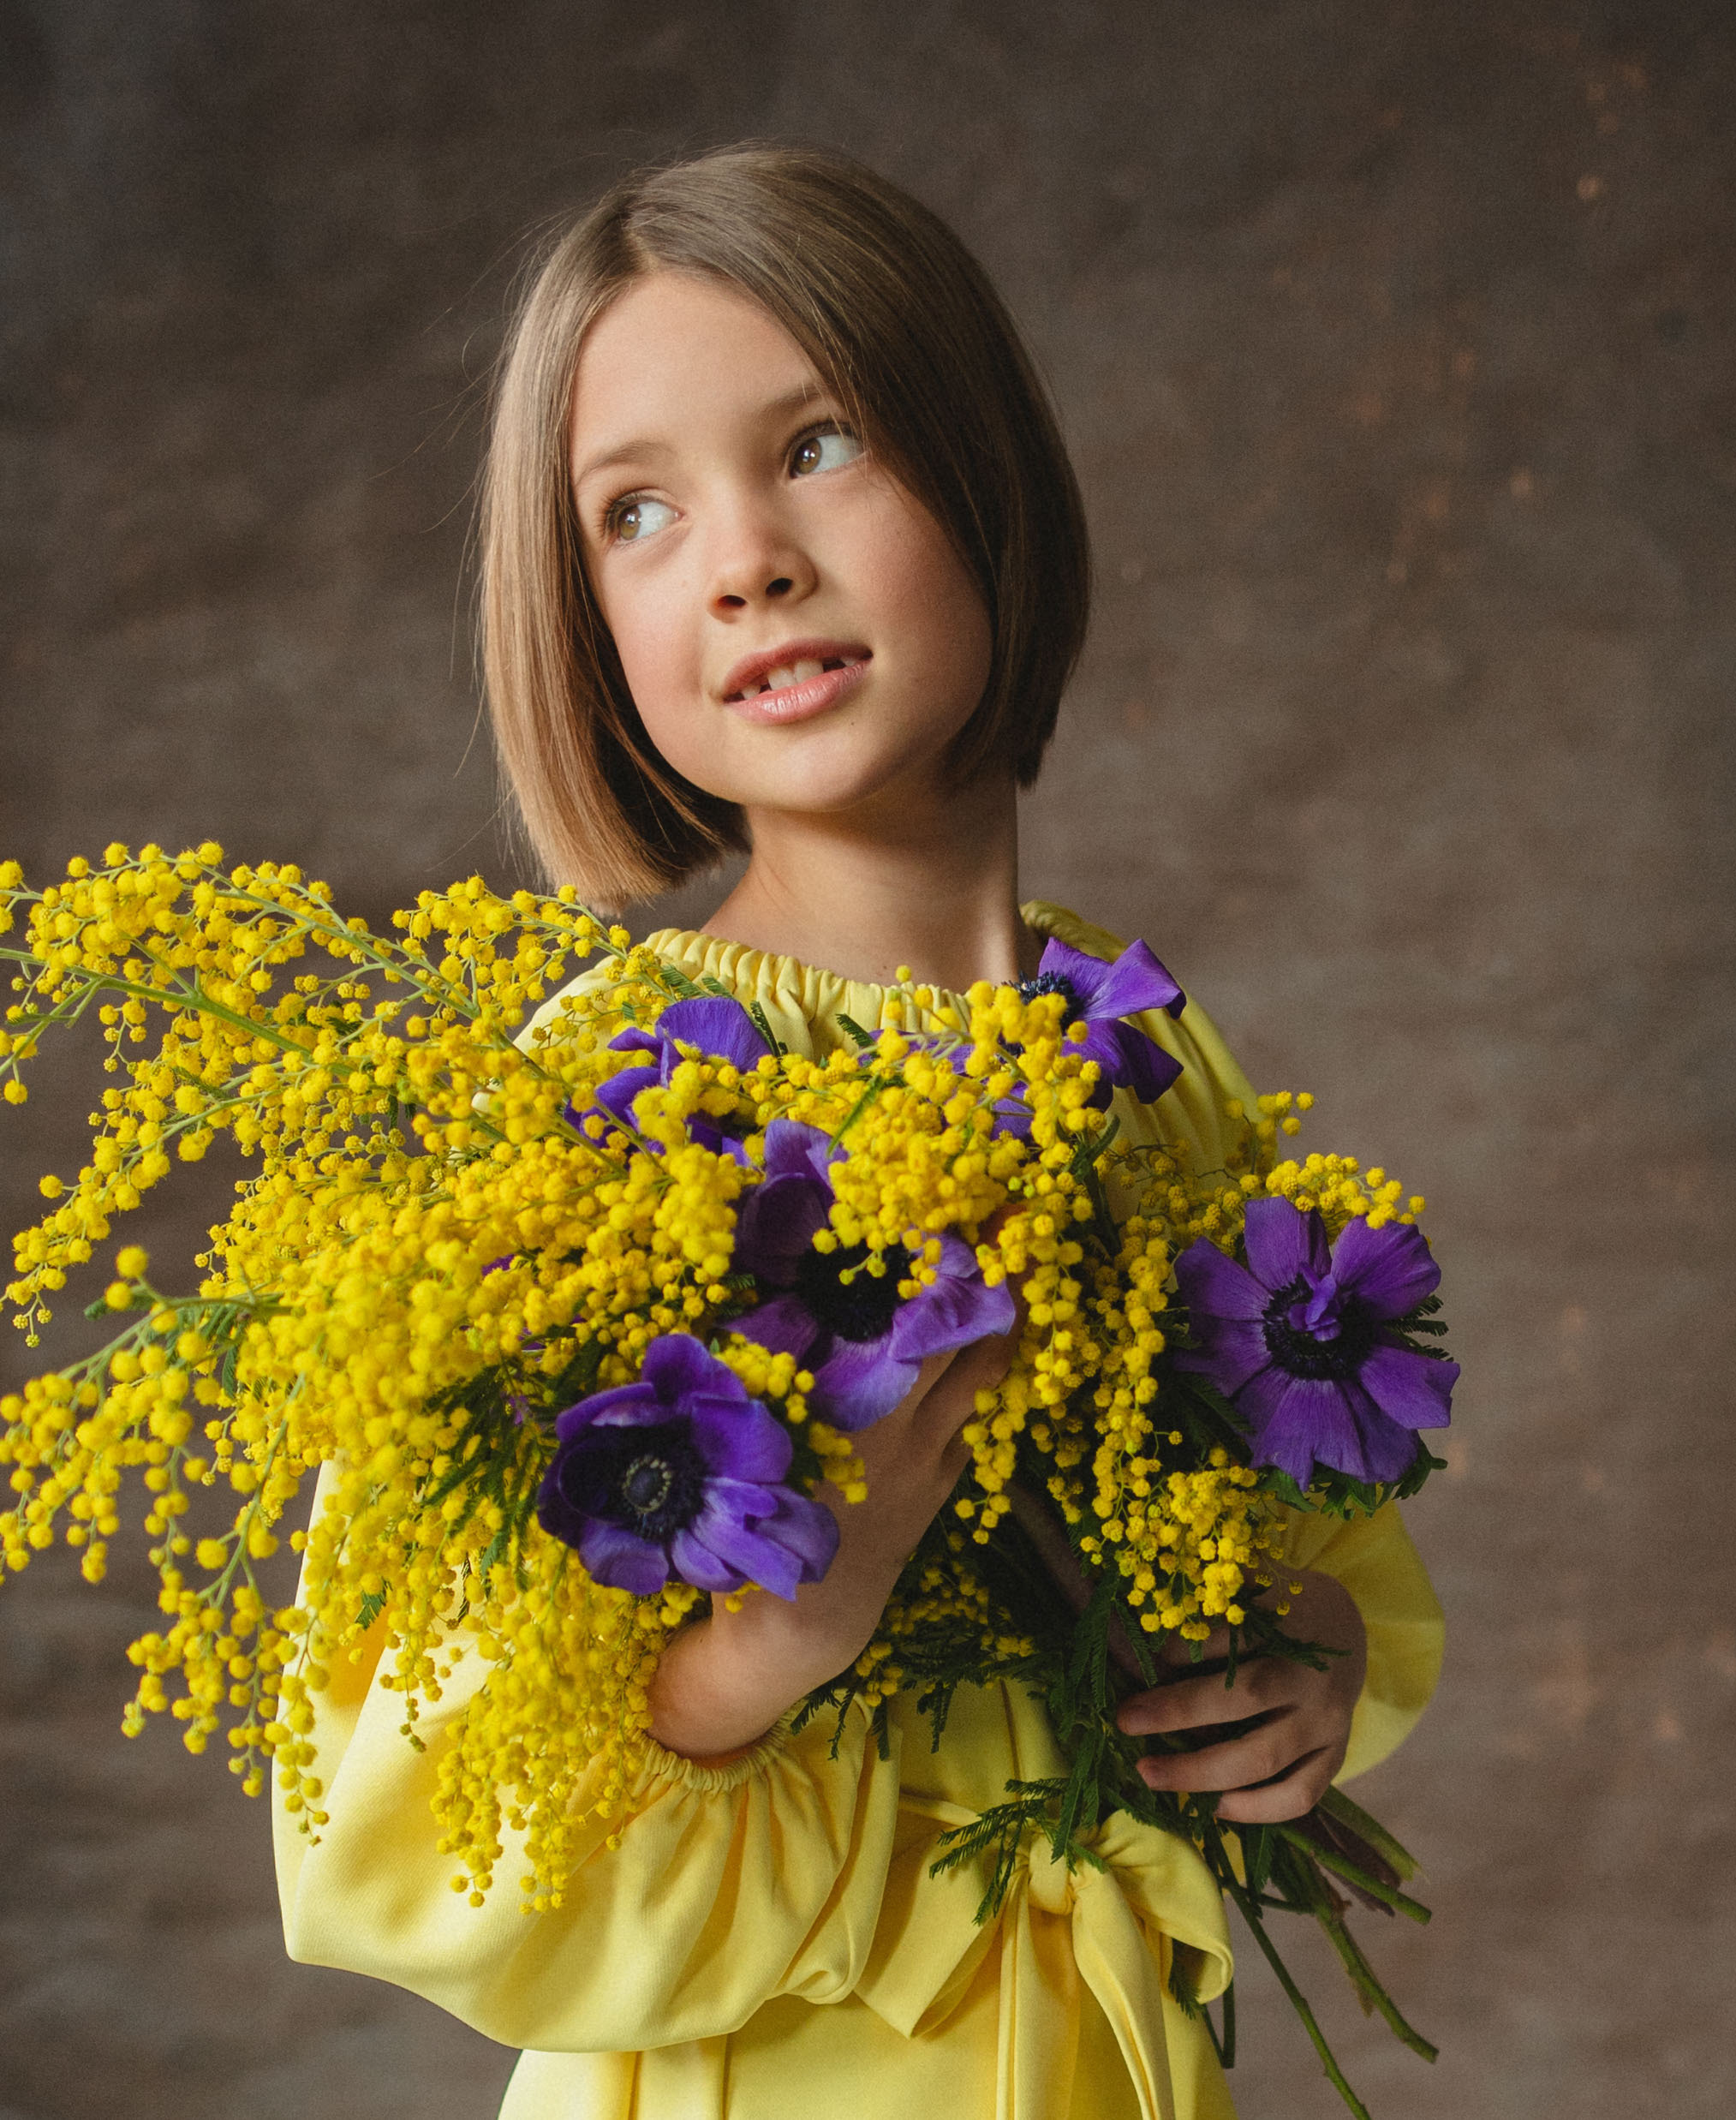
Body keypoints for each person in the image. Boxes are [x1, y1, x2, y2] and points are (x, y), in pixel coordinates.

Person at [274, 144, 1445, 2120]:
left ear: (982, 471)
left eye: (815, 446)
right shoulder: (608, 1103)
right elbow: (400, 1818)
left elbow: (1318, 1554)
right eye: (635, 512)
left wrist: (1305, 1665)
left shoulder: (1141, 1057)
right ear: (582, 617)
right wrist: (762, 1650)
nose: (741, 557)